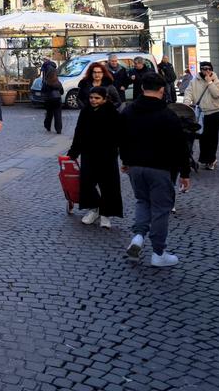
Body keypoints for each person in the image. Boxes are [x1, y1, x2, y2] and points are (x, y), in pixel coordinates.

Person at [119, 73, 191, 267]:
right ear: (162, 90)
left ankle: (138, 237)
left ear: (142, 88)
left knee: (142, 201)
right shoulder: (168, 115)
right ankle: (158, 253)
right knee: (161, 209)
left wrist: (126, 160)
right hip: (161, 168)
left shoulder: (128, 111)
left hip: (135, 166)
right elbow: (181, 146)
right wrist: (185, 173)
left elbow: (121, 138)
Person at [67, 87, 123, 228]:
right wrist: (73, 152)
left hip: (107, 154)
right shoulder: (85, 111)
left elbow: (120, 135)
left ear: (104, 98)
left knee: (108, 185)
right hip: (88, 153)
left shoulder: (112, 112)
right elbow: (79, 132)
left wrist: (122, 154)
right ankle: (95, 208)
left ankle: (106, 213)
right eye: (91, 97)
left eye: (97, 98)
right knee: (86, 183)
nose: (93, 100)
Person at [182, 62, 219, 170]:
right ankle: (205, 159)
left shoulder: (217, 81)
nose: (207, 70)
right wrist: (186, 103)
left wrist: (210, 82)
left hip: (214, 113)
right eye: (204, 68)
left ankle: (211, 159)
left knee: (212, 138)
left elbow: (217, 94)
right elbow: (188, 93)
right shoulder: (194, 81)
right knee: (203, 138)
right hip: (200, 114)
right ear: (201, 69)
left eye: (209, 68)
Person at [40, 66, 64, 135]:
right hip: (57, 100)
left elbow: (43, 91)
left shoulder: (46, 82)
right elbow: (62, 92)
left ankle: (47, 126)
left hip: (49, 100)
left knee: (49, 114)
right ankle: (58, 129)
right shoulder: (58, 83)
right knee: (58, 114)